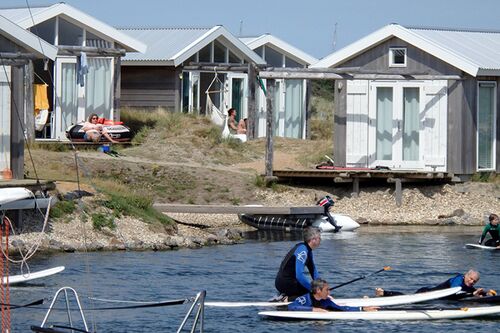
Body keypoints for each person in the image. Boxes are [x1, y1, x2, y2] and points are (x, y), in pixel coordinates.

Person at [375, 269, 496, 299]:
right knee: (407, 298)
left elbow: (471, 291)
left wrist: (486, 293)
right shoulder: (458, 280)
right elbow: (455, 293)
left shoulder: (468, 286)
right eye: (471, 279)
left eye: (474, 281)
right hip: (426, 293)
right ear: (466, 275)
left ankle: (384, 292)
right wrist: (472, 295)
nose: (472, 282)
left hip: (434, 296)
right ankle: (384, 293)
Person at [274, 227, 322, 301]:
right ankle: (287, 299)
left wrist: (321, 286)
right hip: (284, 282)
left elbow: (313, 270)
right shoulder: (302, 251)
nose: (320, 240)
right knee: (312, 296)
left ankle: (287, 295)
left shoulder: (308, 250)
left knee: (316, 294)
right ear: (313, 239)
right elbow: (299, 275)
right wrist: (312, 290)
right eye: (319, 238)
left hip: (289, 282)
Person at [288, 279, 379, 312]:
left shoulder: (326, 301)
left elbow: (342, 308)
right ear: (318, 290)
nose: (329, 293)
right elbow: (291, 307)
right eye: (327, 290)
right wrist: (313, 309)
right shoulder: (305, 299)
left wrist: (362, 308)